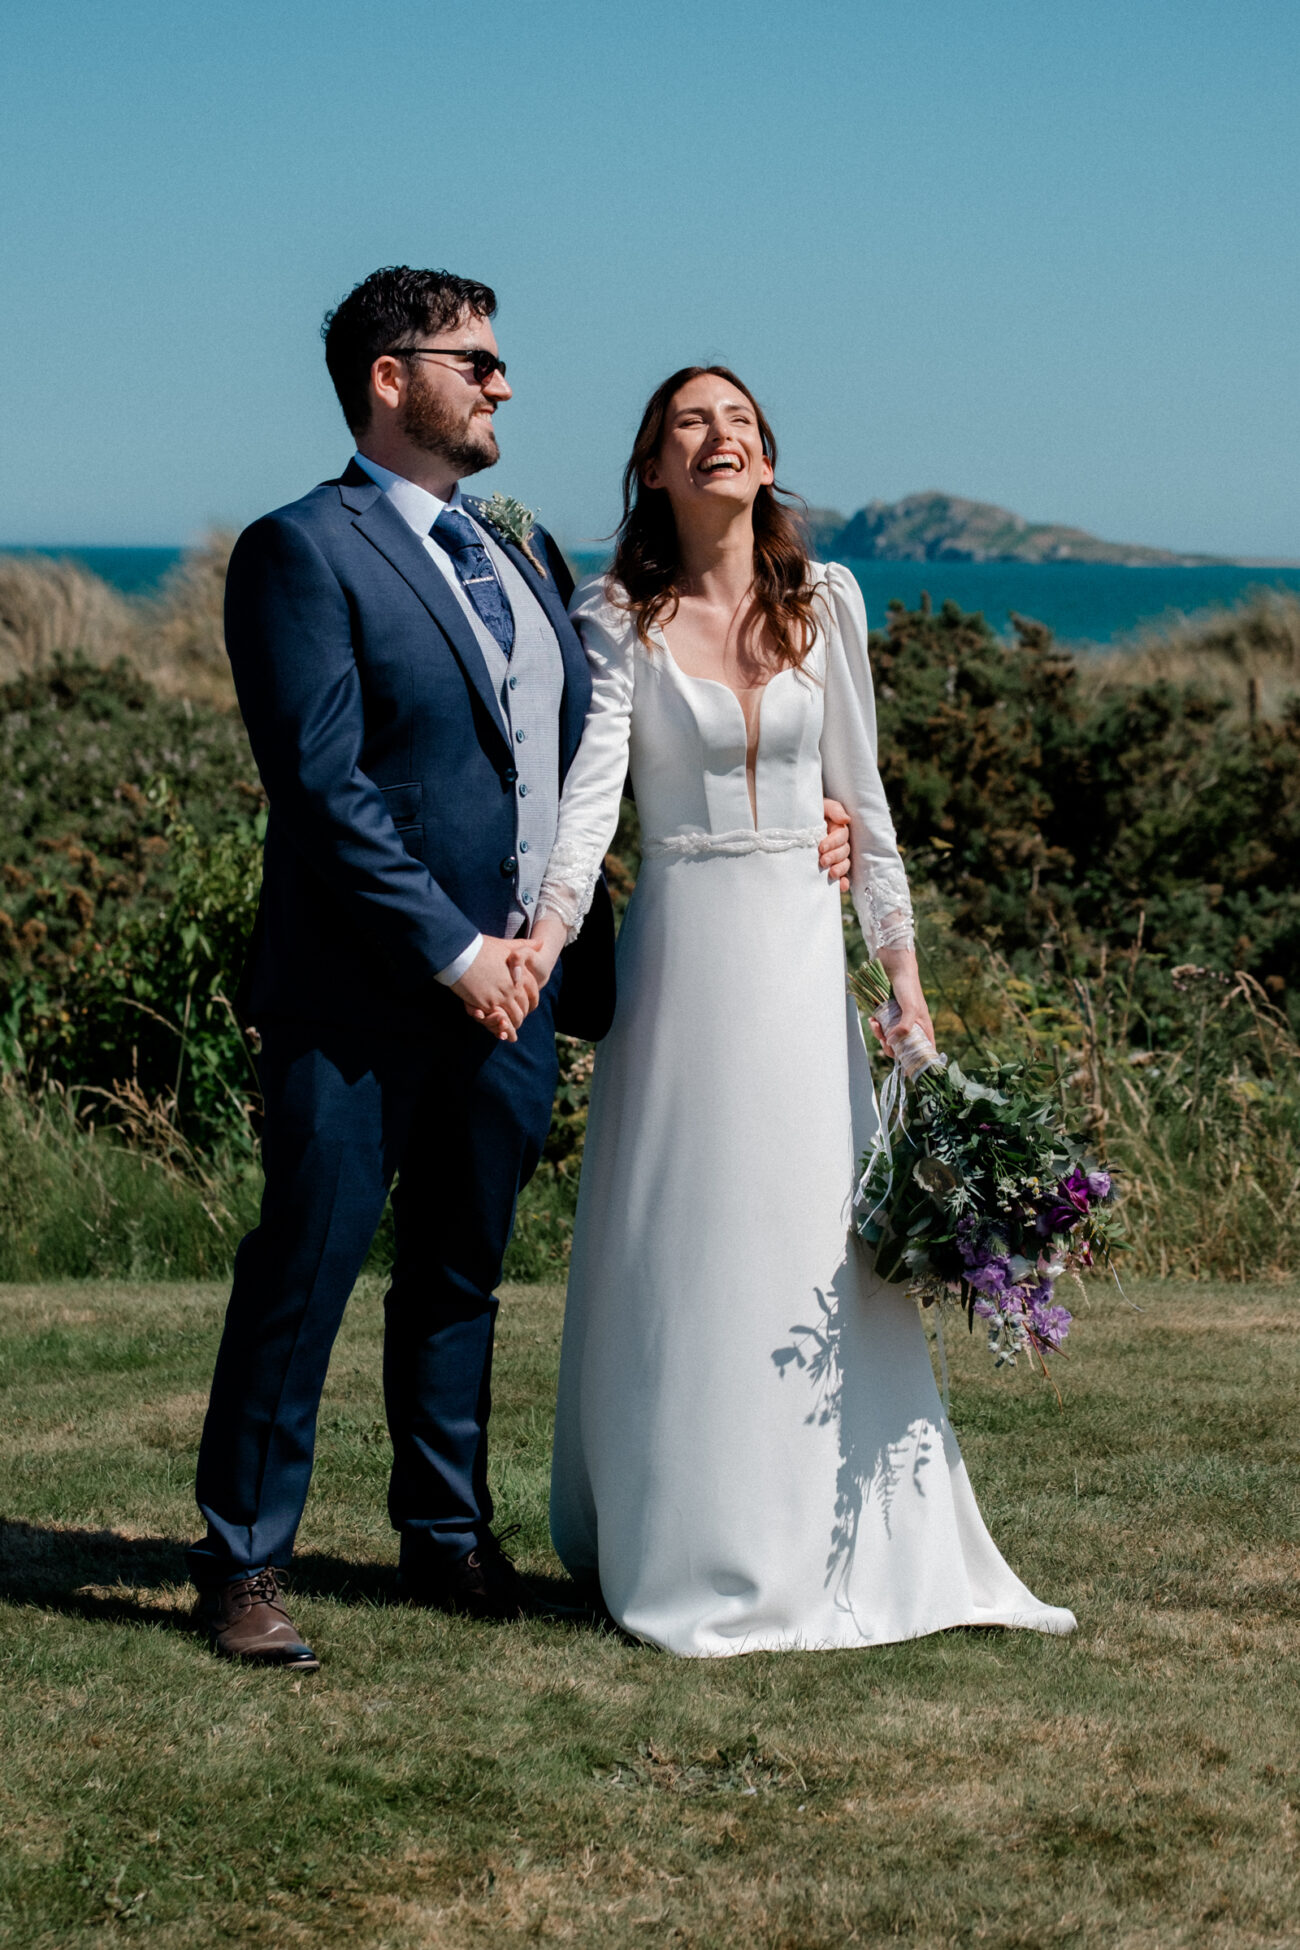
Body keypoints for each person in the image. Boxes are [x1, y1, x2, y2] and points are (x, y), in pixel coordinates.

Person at [186, 274, 851, 1669]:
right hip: (365, 993)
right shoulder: (300, 550)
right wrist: (453, 949)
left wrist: (786, 803)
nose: (502, 385)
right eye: (476, 363)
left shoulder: (528, 548)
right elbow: (320, 790)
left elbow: (598, 757)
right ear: (389, 377)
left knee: (460, 1273)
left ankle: (447, 1536)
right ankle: (245, 1562)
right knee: (306, 1263)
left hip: (520, 1000)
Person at [523, 366, 1077, 1655]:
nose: (718, 437)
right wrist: (541, 941)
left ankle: (862, 1537)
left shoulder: (828, 602)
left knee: (818, 1238)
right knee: (697, 1238)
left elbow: (865, 806)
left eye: (739, 423)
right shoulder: (617, 614)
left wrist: (908, 998)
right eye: (687, 425)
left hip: (798, 963)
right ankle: (694, 1539)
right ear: (654, 469)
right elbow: (592, 802)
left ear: (767, 460)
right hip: (686, 962)